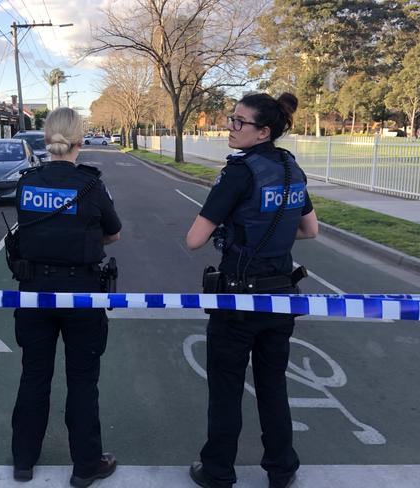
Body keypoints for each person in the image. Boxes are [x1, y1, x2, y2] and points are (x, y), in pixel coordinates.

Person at [185, 92, 319, 488]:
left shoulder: (239, 173)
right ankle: (282, 469)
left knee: (226, 388)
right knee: (273, 385)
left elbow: (194, 239)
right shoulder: (291, 168)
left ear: (263, 132)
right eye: (232, 118)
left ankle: (217, 472)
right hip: (281, 294)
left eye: (239, 122)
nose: (231, 126)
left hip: (238, 298)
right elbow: (310, 230)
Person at [10, 107, 122, 487]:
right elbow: (113, 235)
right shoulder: (92, 184)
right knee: (82, 381)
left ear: (46, 139)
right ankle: (85, 466)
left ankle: (23, 461)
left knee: (34, 375)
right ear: (80, 140)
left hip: (34, 294)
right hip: (82, 296)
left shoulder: (28, 183)